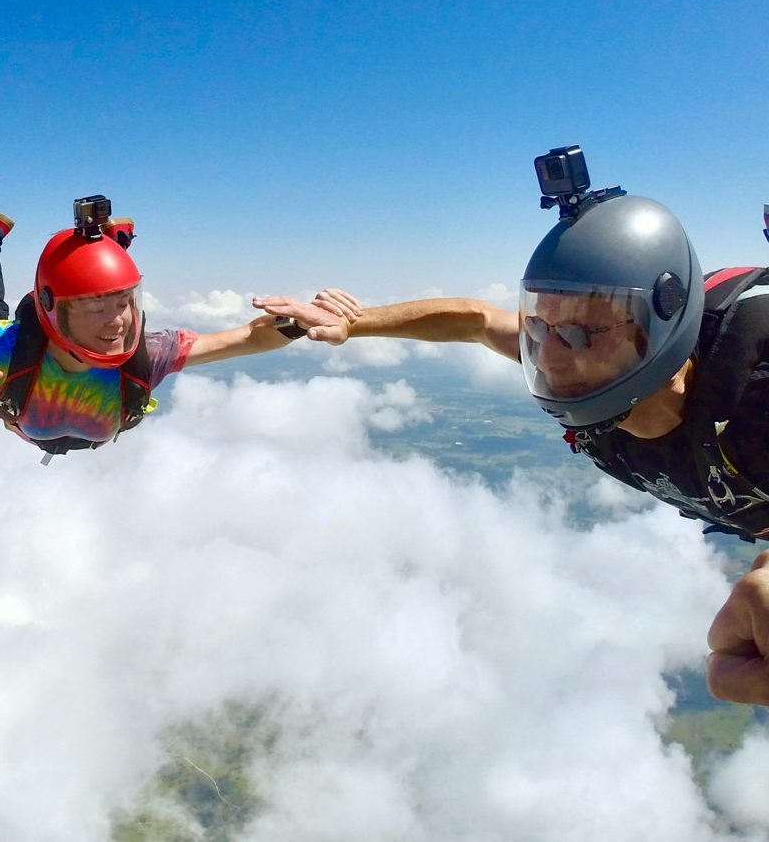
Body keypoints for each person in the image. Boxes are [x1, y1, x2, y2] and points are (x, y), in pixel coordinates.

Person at [253, 181, 769, 706]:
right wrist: (353, 324)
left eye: (581, 333)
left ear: (662, 332)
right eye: (540, 326)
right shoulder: (599, 385)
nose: (548, 355)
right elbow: (477, 321)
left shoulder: (754, 401)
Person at [0, 203, 362, 461]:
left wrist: (299, 322)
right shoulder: (5, 346)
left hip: (42, 406)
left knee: (103, 289)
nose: (119, 322)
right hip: (19, 338)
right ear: (51, 310)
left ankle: (110, 245)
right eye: (95, 308)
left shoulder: (145, 355)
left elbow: (246, 338)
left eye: (125, 303)